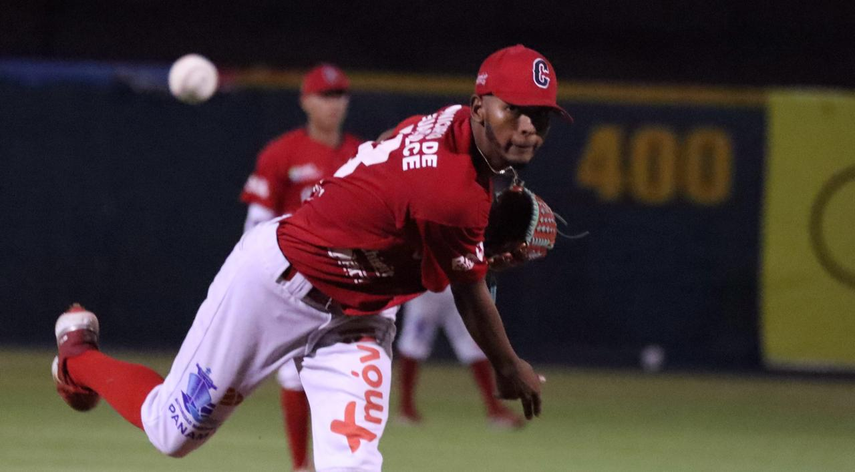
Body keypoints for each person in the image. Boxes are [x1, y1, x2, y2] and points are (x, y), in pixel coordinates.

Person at [51, 44, 569, 471]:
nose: (528, 127)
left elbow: (392, 152)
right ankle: (79, 356)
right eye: (514, 109)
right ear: (479, 106)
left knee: (352, 466)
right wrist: (509, 367)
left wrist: (465, 247)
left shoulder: (451, 122)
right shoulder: (453, 193)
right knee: (171, 432)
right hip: (278, 284)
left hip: (361, 316)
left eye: (541, 116)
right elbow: (467, 291)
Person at [240, 62, 360, 472]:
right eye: (325, 96)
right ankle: (300, 464)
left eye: (339, 95)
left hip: (349, 282)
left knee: (347, 379)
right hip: (293, 280)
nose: (334, 103)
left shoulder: (362, 155)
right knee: (294, 375)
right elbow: (256, 222)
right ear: (305, 101)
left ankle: (334, 461)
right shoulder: (281, 153)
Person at [396, 287, 524, 428]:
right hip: (425, 289)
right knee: (413, 345)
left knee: (474, 345)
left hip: (456, 288)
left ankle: (495, 409)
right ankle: (405, 408)